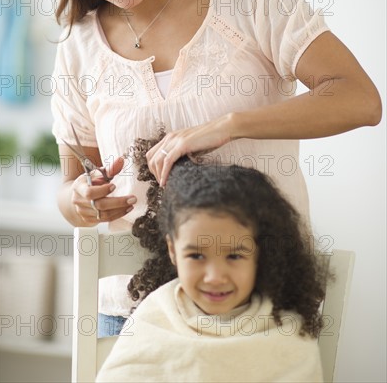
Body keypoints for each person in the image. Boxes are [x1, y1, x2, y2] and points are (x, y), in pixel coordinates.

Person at [26, 0, 381, 336]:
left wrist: (225, 127)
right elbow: (69, 188)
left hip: (260, 307)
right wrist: (83, 200)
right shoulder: (79, 46)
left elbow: (360, 99)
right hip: (132, 314)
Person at [96, 137, 328, 382]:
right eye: (196, 255)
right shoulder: (152, 318)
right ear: (173, 251)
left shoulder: (287, 335)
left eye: (234, 255)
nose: (215, 277)